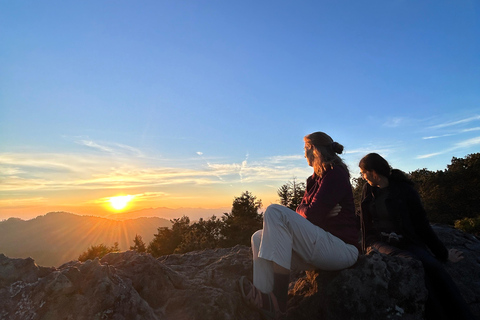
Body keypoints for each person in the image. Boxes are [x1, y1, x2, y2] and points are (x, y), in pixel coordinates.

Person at [238, 132, 360, 319]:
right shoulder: (314, 180)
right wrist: (309, 209)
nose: (304, 154)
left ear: (313, 149)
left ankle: (278, 300)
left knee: (274, 211)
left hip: (341, 249)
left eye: (305, 149)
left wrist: (310, 211)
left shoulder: (335, 174)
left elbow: (311, 215)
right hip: (321, 246)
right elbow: (305, 211)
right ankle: (264, 297)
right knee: (258, 237)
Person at [358, 153, 476, 320]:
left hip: (406, 241)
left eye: (363, 172)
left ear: (374, 172)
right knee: (413, 263)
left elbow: (422, 224)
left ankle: (463, 315)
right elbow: (363, 218)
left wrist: (442, 253)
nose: (362, 176)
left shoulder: (404, 190)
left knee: (433, 266)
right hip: (379, 242)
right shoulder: (367, 190)